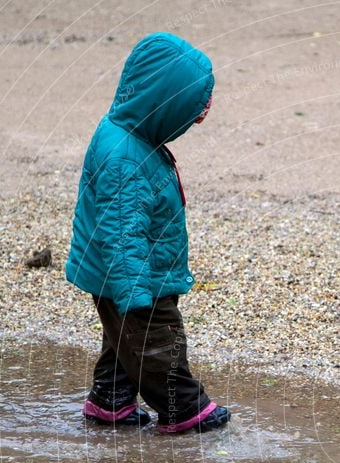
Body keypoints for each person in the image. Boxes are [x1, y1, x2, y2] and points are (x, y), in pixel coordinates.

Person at [66, 32, 230, 433]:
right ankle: (184, 409)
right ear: (162, 104)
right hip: (134, 278)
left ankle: (111, 400)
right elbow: (122, 231)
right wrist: (135, 293)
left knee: (122, 341)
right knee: (157, 343)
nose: (201, 113)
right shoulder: (125, 157)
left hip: (121, 273)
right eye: (193, 106)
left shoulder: (130, 133)